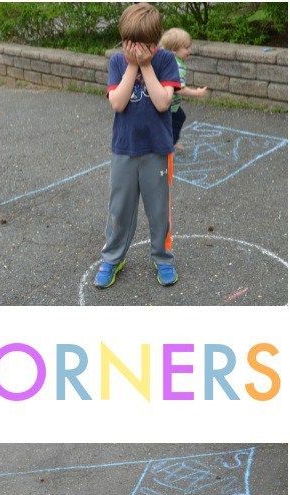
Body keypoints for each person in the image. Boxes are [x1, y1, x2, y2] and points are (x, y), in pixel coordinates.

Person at [94, 3, 181, 289]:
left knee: (158, 209)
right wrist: (132, 65)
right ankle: (113, 257)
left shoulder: (166, 60)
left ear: (155, 42)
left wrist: (146, 64)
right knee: (119, 207)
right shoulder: (119, 62)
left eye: (142, 44)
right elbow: (117, 103)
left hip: (157, 149)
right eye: (128, 42)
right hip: (124, 148)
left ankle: (163, 258)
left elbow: (162, 102)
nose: (133, 48)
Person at [160, 28, 209, 147]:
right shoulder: (177, 66)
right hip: (169, 105)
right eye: (186, 48)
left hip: (167, 102)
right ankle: (168, 145)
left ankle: (171, 140)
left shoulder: (168, 59)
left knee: (176, 118)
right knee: (175, 120)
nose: (189, 51)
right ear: (174, 50)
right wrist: (196, 93)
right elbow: (179, 88)